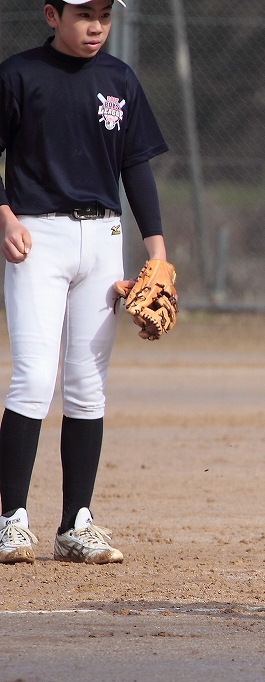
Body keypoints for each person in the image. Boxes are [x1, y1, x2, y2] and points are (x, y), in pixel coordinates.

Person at [0, 0, 170, 565]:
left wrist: (158, 250)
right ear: (52, 16)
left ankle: (76, 524)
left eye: (103, 14)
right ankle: (11, 521)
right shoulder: (19, 74)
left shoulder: (119, 78)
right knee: (32, 378)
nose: (95, 25)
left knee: (87, 386)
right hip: (35, 238)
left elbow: (136, 166)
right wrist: (3, 216)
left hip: (103, 241)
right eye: (82, 14)